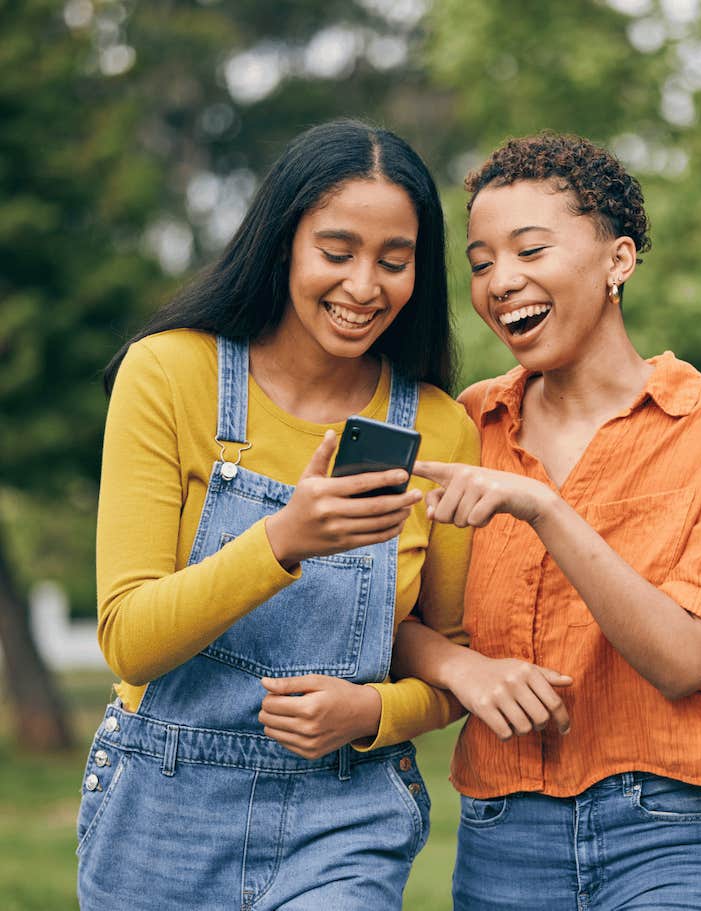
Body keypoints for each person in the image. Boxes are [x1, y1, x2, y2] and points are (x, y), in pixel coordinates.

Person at [76, 119, 485, 911]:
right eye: (337, 253)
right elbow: (129, 638)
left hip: (343, 817)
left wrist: (375, 710)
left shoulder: (439, 426)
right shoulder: (169, 373)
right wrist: (284, 539)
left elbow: (451, 656)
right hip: (161, 813)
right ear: (282, 242)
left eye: (393, 262)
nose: (364, 286)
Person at [392, 131, 701, 910]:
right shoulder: (463, 422)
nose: (501, 282)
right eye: (479, 263)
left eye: (530, 250)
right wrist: (460, 668)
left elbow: (684, 661)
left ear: (619, 260)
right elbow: (385, 610)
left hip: (671, 826)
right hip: (501, 829)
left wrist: (544, 508)